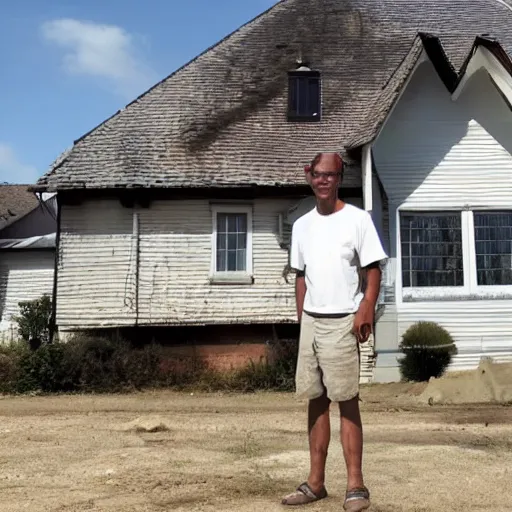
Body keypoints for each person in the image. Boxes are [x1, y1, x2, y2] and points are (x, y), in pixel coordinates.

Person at [281, 152, 387, 511]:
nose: (323, 180)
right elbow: (299, 275)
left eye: (331, 175)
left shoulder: (357, 220)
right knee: (315, 401)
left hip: (344, 319)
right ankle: (315, 483)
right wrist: (301, 319)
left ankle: (356, 485)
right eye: (317, 174)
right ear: (308, 175)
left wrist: (366, 307)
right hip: (311, 321)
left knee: (347, 401)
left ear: (340, 178)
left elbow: (373, 269)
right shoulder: (301, 225)